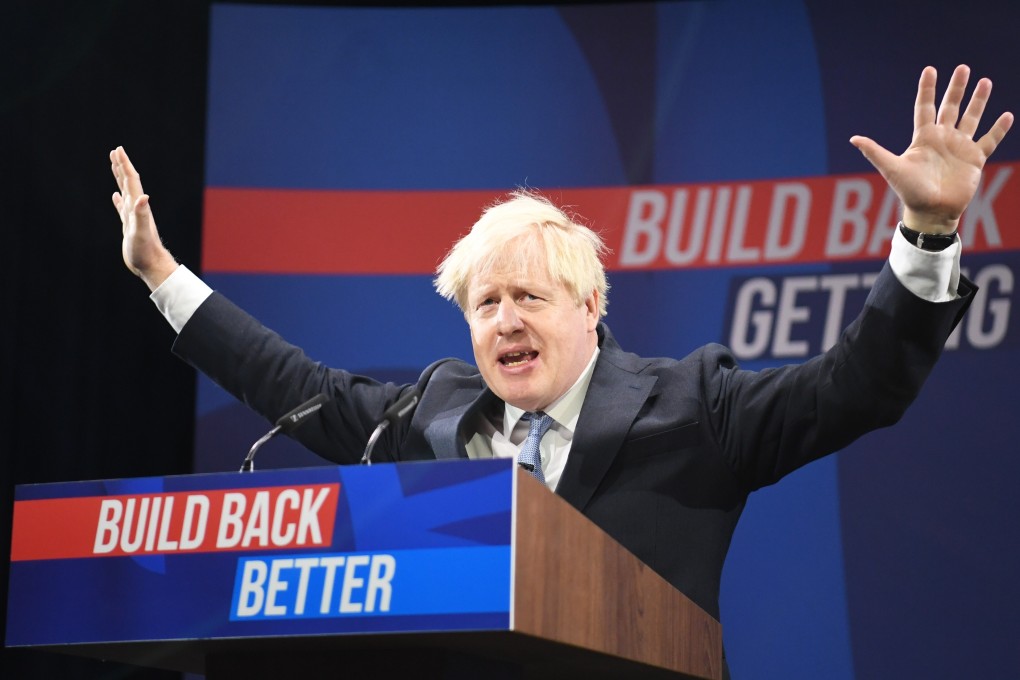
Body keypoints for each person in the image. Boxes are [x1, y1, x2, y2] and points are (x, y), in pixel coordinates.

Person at [112, 65, 1011, 632]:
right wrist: (162, 276)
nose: (504, 321)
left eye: (529, 297)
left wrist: (928, 231)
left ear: (590, 306)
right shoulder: (429, 414)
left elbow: (856, 387)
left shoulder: (697, 406)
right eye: (485, 303)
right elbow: (289, 381)